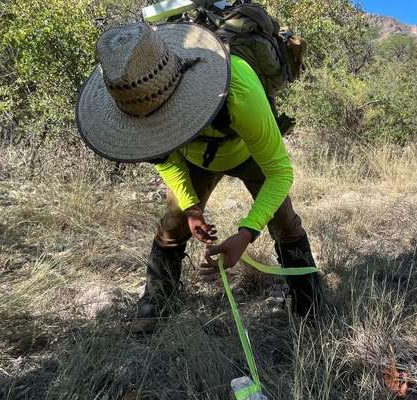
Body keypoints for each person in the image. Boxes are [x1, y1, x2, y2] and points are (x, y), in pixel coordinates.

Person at [75, 22, 323, 332]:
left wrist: (246, 234)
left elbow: (280, 172)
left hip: (246, 152)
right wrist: (191, 208)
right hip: (196, 160)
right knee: (173, 223)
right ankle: (157, 301)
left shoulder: (239, 89)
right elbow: (165, 159)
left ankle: (309, 302)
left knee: (285, 222)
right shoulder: (136, 95)